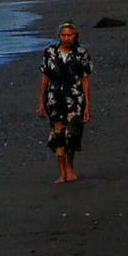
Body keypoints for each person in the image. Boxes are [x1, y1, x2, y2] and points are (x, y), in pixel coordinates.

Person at [37, 20, 92, 183]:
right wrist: (41, 101)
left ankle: (70, 168)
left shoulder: (81, 53)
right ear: (59, 36)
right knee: (58, 135)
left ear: (76, 36)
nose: (67, 38)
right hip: (54, 100)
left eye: (70, 35)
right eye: (64, 35)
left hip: (75, 100)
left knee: (73, 134)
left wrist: (88, 105)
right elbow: (45, 77)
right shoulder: (49, 53)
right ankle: (62, 173)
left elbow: (85, 80)